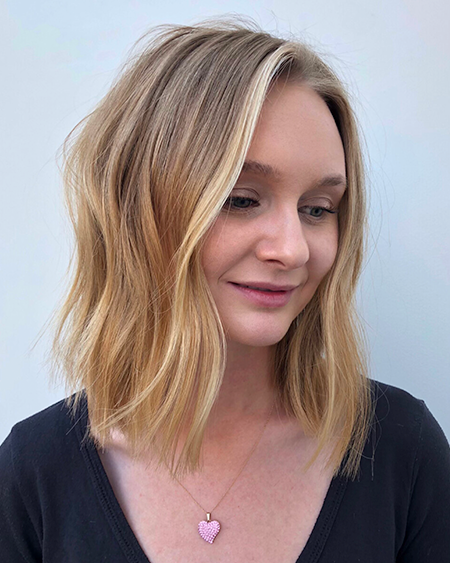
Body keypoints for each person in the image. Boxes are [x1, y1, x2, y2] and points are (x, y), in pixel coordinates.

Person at [1, 18, 449, 562]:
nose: (293, 250)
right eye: (241, 199)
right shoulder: (33, 475)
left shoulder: (403, 451)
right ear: (138, 210)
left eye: (317, 209)